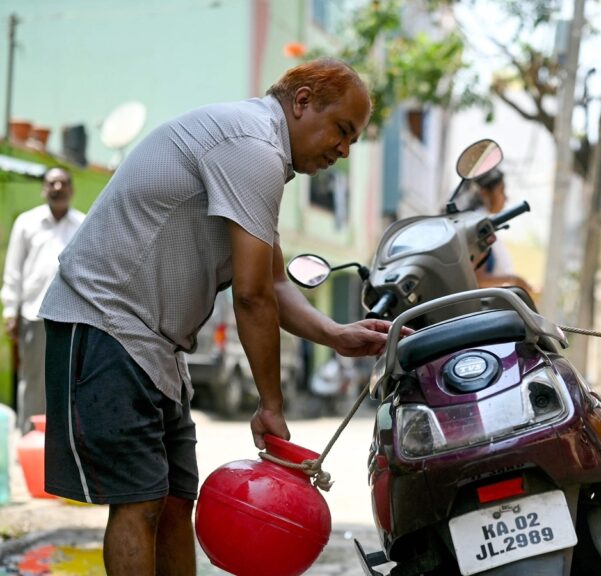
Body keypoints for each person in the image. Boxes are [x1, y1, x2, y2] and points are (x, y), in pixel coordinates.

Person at [38, 58, 405, 576]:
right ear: (301, 102)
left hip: (154, 345)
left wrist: (336, 333)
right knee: (140, 501)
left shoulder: (260, 154)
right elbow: (252, 295)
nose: (343, 150)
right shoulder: (252, 145)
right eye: (342, 130)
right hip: (103, 320)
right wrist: (271, 405)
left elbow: (275, 281)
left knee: (172, 502)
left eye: (353, 141)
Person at [1, 168, 84, 434]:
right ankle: (29, 439)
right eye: (51, 183)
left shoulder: (83, 224)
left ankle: (63, 443)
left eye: (63, 182)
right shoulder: (27, 223)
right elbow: (13, 271)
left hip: (72, 317)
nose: (57, 187)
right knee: (34, 381)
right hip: (33, 315)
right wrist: (10, 311)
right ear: (43, 189)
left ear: (72, 189)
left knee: (70, 382)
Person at [465, 169, 533, 292]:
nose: (506, 197)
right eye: (501, 191)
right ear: (484, 193)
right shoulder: (479, 225)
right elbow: (478, 279)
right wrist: (515, 281)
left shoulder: (482, 221)